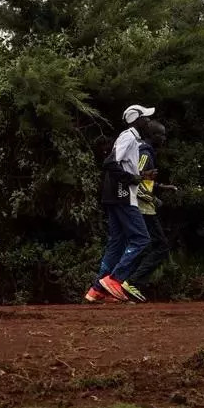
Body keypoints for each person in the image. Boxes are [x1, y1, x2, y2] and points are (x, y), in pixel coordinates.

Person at [84, 105, 157, 303]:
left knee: (117, 241)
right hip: (123, 195)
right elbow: (110, 162)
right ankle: (115, 279)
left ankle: (98, 289)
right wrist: (130, 179)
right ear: (136, 120)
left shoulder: (129, 137)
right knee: (141, 239)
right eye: (146, 118)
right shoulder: (129, 136)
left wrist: (139, 176)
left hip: (116, 194)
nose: (149, 122)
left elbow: (122, 165)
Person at [122, 121, 178, 301]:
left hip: (141, 206)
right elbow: (135, 180)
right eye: (161, 135)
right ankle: (133, 283)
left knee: (143, 246)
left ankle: (122, 283)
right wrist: (153, 198)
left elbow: (144, 180)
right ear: (153, 136)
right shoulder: (145, 153)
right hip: (143, 208)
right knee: (160, 246)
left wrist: (160, 187)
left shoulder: (145, 151)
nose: (164, 139)